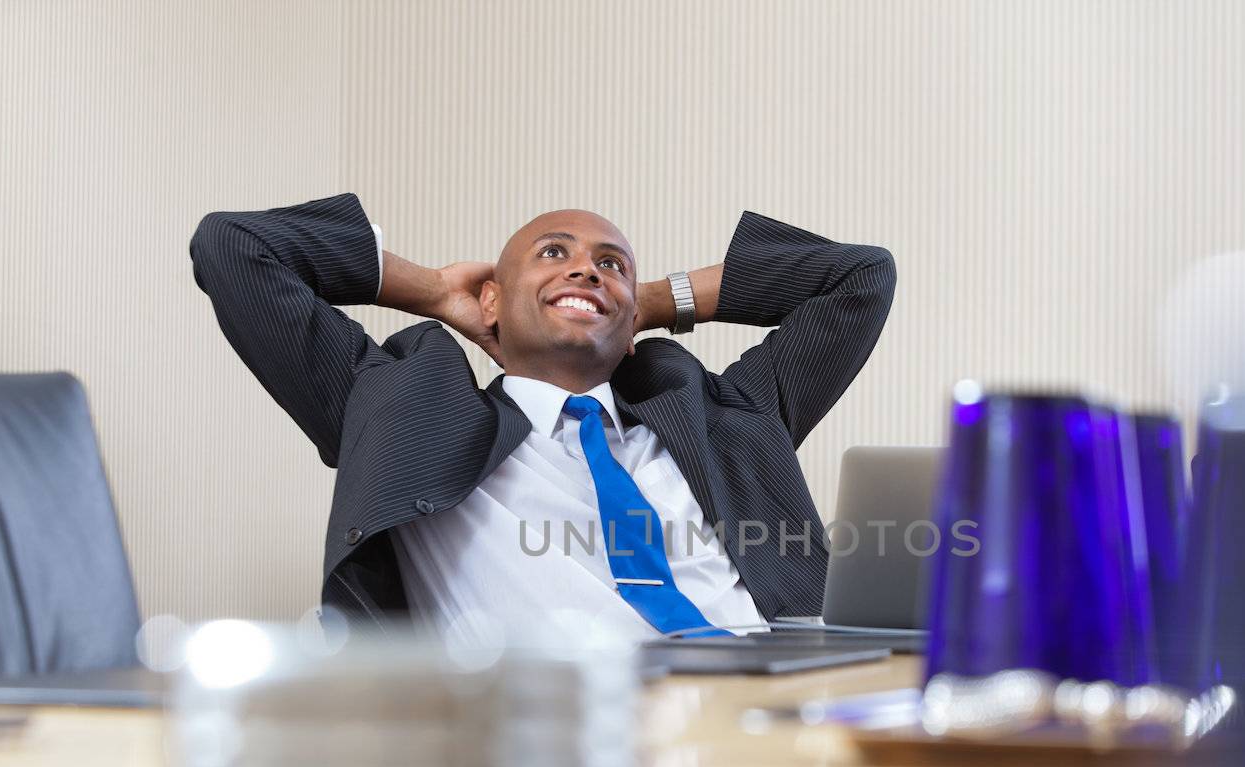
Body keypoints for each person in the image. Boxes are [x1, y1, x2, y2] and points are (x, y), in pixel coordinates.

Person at [189, 193, 895, 644]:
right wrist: (434, 289)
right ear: (492, 300)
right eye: (554, 253)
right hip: (569, 733)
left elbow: (860, 277)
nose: (588, 270)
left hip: (776, 699)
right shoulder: (403, 413)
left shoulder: (719, 415)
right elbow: (235, 248)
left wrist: (642, 299)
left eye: (610, 262)